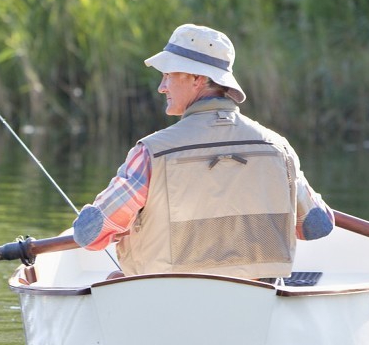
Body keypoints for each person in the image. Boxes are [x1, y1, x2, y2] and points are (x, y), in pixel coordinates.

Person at [72, 23, 334, 280]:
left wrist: (126, 224)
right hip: (257, 301)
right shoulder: (281, 149)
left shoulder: (150, 153)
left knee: (114, 279)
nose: (161, 87)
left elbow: (89, 234)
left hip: (166, 299)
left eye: (168, 76)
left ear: (197, 79)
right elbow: (317, 226)